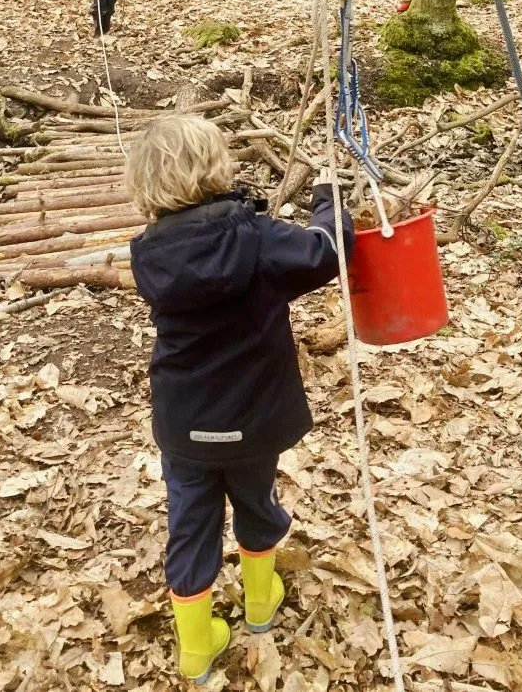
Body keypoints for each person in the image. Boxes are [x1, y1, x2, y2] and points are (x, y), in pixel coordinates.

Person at [126, 114, 354, 685]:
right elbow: (327, 250)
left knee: (190, 522)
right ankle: (259, 603)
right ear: (216, 167)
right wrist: (328, 197)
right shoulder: (256, 238)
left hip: (186, 424)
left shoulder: (148, 252)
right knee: (256, 501)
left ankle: (197, 648)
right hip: (253, 418)